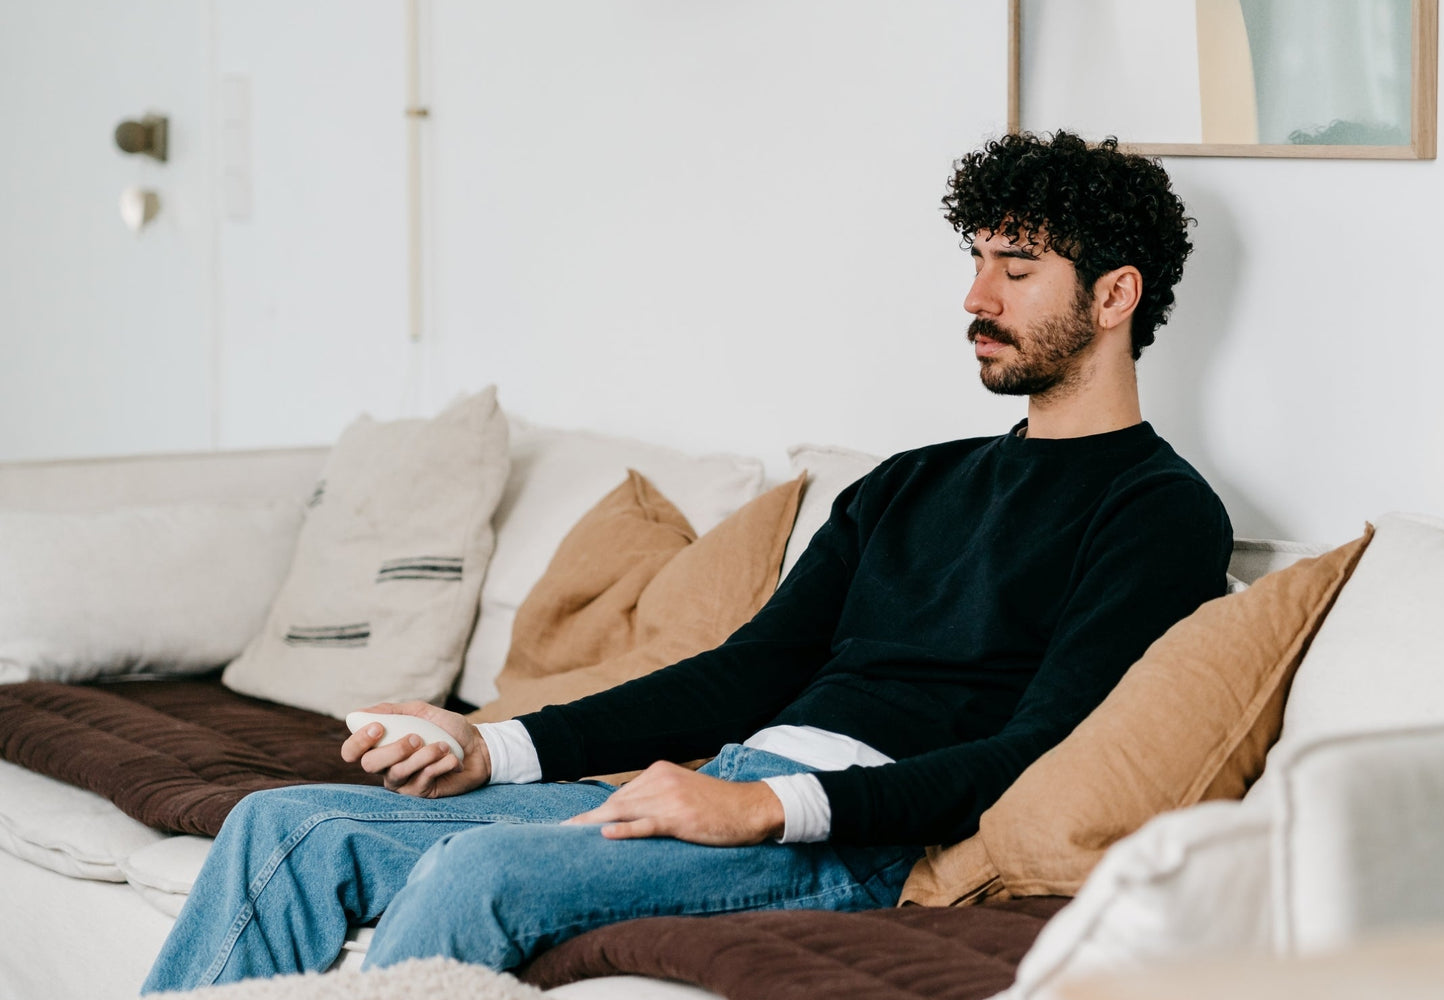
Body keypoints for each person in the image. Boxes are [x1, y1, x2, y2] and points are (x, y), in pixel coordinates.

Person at [141, 131, 1233, 993]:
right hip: (728, 784)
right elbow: (746, 672)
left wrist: (771, 809)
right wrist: (493, 747)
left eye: (1017, 269)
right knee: (285, 826)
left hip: (850, 837)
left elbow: (1038, 750)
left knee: (481, 871)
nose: (976, 299)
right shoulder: (913, 481)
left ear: (1114, 296)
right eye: (977, 261)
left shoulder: (1158, 512)